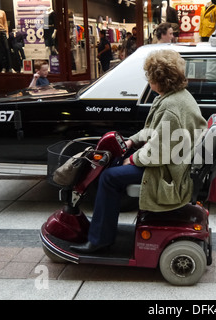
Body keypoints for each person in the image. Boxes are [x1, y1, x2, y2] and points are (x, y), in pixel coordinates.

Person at [71, 49, 207, 253]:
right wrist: (131, 142)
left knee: (108, 177)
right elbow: (154, 131)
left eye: (150, 76)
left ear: (160, 79)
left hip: (167, 172)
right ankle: (103, 227)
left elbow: (159, 151)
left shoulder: (171, 107)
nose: (148, 81)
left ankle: (100, 240)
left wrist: (133, 159)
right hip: (172, 164)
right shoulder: (176, 96)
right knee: (113, 165)